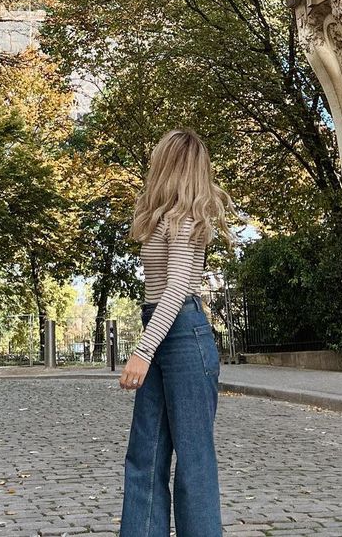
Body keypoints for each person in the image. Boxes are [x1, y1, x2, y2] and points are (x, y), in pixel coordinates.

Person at [118, 129, 234, 537]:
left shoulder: (187, 219)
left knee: (193, 462)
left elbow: (177, 288)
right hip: (162, 328)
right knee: (144, 456)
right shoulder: (165, 217)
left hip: (183, 336)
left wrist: (142, 351)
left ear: (170, 163)